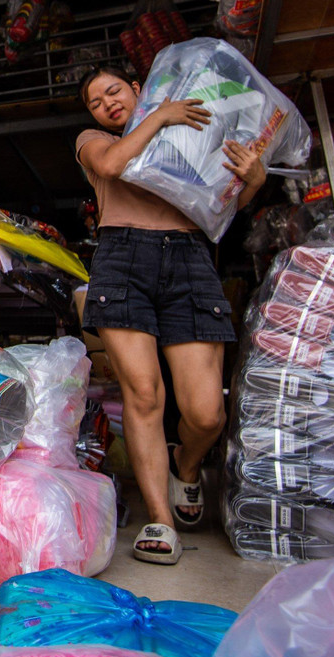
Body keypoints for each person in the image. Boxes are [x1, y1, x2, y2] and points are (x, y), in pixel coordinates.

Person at [75, 66, 266, 564]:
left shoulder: (186, 135)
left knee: (207, 412)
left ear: (138, 88)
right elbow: (114, 165)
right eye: (96, 101)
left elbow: (221, 207)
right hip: (122, 261)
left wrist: (252, 182)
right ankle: (159, 519)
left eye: (114, 91)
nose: (106, 104)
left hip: (188, 259)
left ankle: (186, 464)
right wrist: (159, 116)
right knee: (143, 394)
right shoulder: (94, 140)